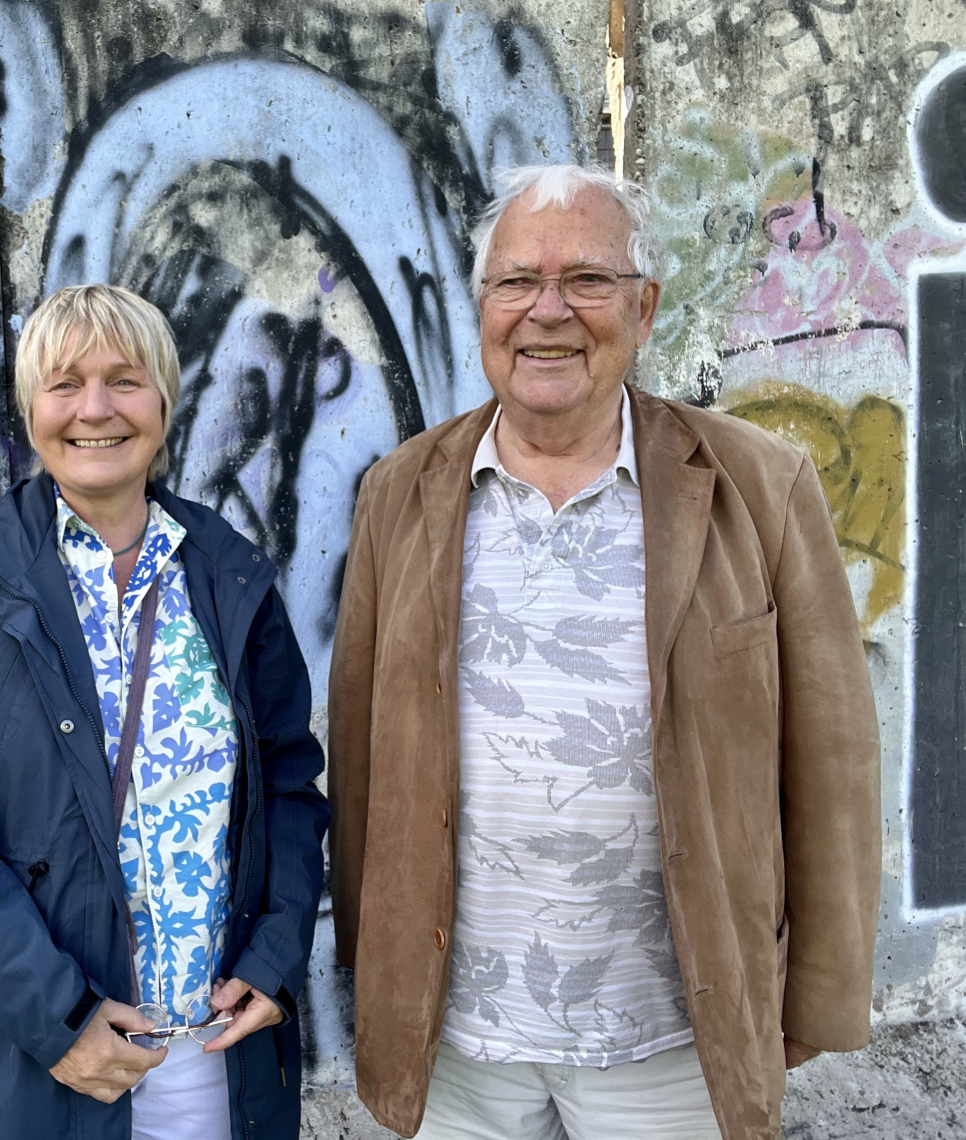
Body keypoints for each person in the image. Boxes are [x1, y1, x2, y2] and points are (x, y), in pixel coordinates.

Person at [328, 165, 880, 1140]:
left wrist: (812, 996)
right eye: (515, 282)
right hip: (459, 1045)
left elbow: (832, 762)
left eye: (586, 279)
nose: (548, 311)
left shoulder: (761, 486)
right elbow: (364, 763)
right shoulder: (397, 493)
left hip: (668, 1043)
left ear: (644, 306)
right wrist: (373, 979)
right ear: (480, 304)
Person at [0, 284, 329, 1139]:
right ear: (29, 408)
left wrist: (274, 959)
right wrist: (59, 1018)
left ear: (164, 400)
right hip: (36, 1066)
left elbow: (292, 788)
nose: (95, 409)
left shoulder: (230, 575)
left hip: (213, 1062)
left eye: (125, 379)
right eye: (64, 385)